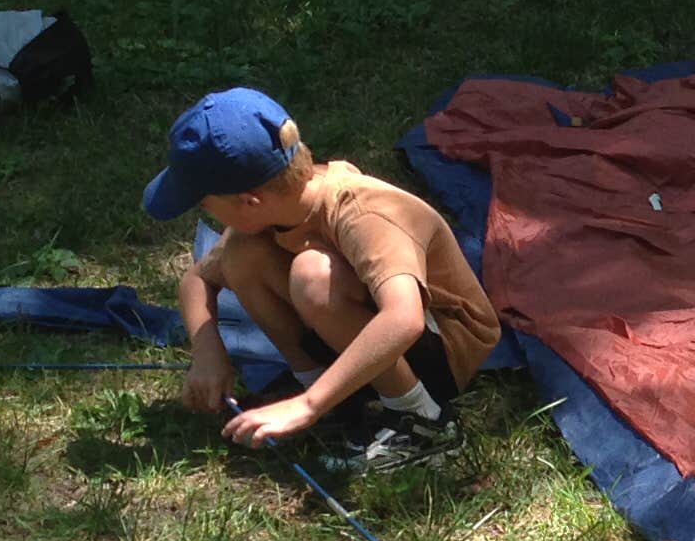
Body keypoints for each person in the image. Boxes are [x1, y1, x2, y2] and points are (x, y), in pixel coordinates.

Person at [144, 88, 500, 467]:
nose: (210, 217)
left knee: (313, 275)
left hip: (441, 348)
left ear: (250, 201)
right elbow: (196, 280)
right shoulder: (279, 204)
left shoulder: (364, 212)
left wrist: (306, 407)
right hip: (371, 339)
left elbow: (405, 317)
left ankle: (423, 422)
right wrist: (207, 352)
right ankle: (340, 402)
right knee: (241, 256)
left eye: (205, 205)